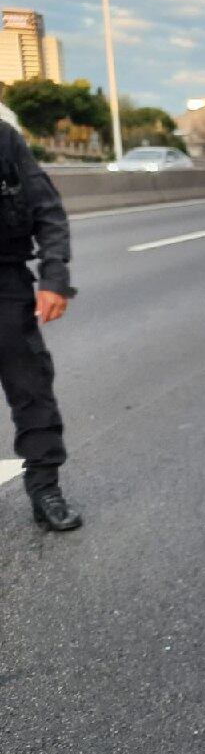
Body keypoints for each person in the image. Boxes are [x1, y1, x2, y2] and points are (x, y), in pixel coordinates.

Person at [0, 119, 79, 531]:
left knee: (31, 387)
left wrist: (54, 279)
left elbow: (47, 210)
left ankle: (45, 488)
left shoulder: (3, 139)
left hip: (5, 282)